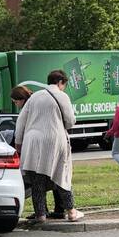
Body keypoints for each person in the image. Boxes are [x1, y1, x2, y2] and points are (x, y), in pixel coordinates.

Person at [13, 69, 83, 223]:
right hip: (54, 139)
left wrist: (18, 144)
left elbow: (21, 122)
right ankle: (71, 212)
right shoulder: (62, 96)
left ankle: (41, 215)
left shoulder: (34, 97)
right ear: (60, 82)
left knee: (37, 180)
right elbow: (71, 121)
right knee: (61, 175)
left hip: (32, 141)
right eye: (64, 84)